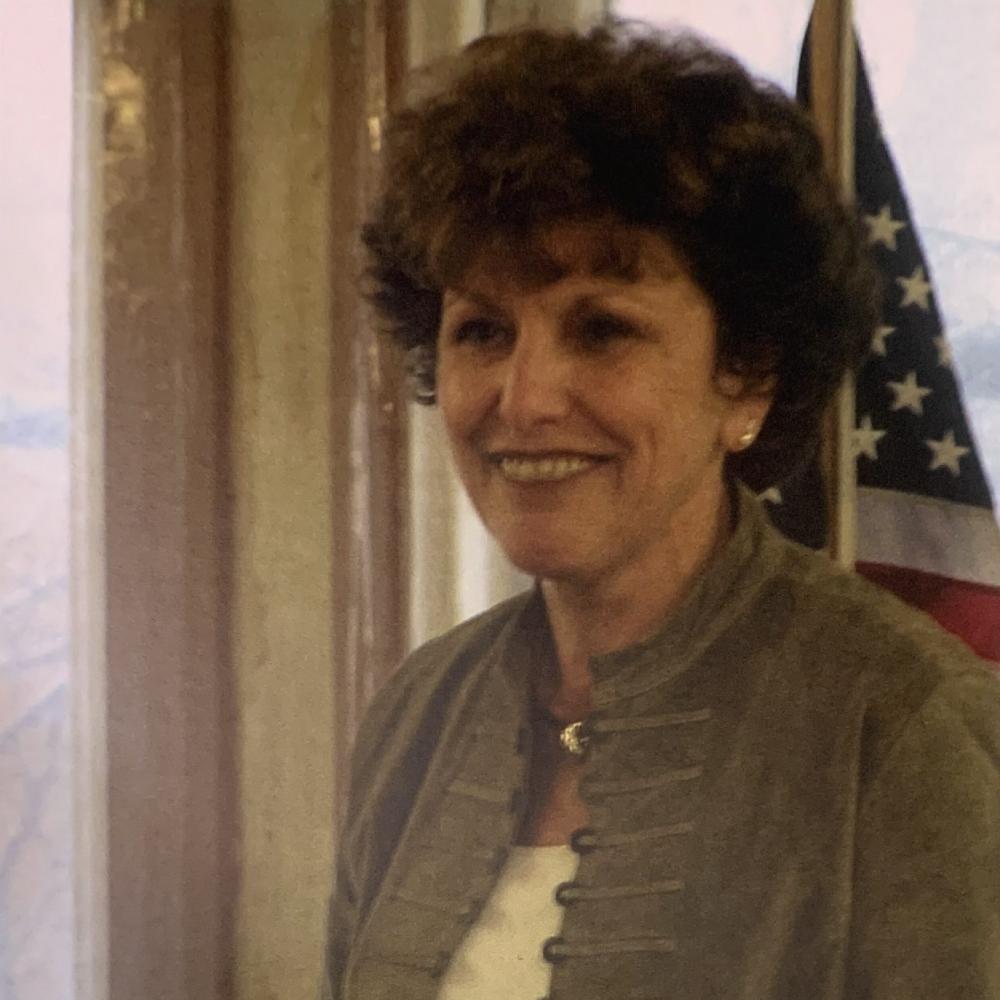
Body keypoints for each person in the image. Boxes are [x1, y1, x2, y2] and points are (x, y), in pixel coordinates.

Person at [322, 21, 1000, 1000]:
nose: (525, 395)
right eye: (482, 329)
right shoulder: (415, 719)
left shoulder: (901, 726)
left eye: (601, 329)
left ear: (747, 378)